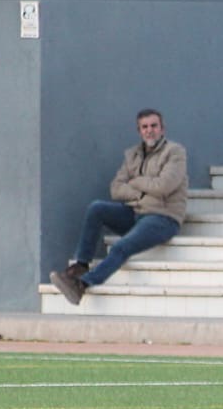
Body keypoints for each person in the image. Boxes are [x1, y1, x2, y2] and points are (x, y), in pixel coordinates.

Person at [50, 108, 188, 305]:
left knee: (121, 247)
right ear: (139, 131)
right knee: (96, 208)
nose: (150, 130)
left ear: (162, 129)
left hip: (162, 218)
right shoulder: (132, 155)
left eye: (154, 126)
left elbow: (164, 186)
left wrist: (135, 181)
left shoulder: (175, 152)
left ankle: (82, 285)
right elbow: (115, 189)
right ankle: (81, 265)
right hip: (136, 212)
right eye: (145, 127)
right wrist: (141, 193)